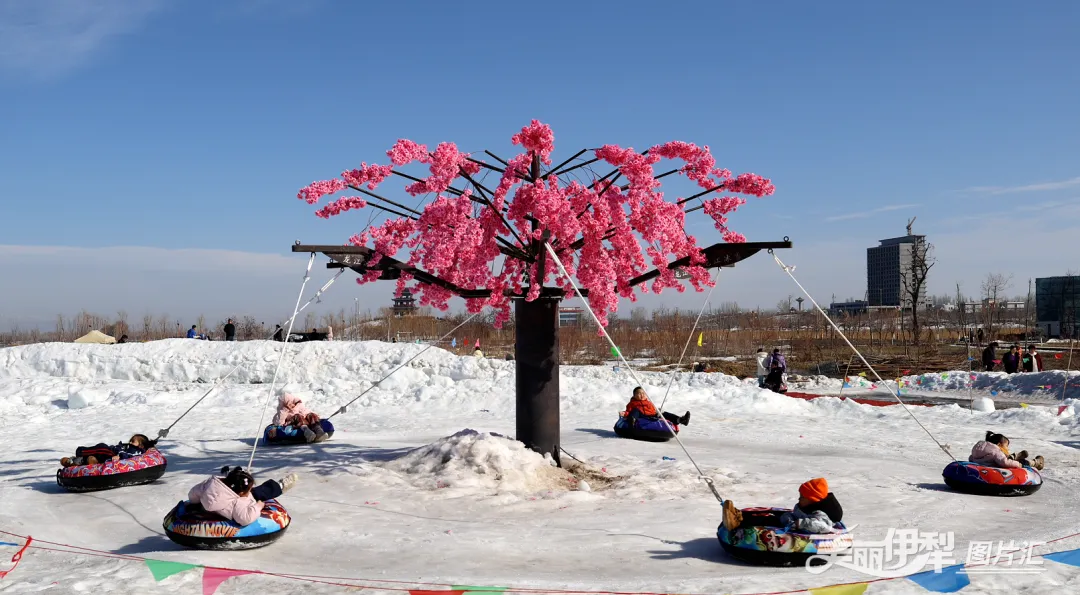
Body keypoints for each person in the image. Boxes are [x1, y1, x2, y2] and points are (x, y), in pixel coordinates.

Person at [722, 477, 843, 534]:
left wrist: (800, 523)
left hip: (794, 526)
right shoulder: (809, 506)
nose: (799, 499)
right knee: (771, 513)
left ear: (812, 499)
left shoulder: (820, 513)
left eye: (802, 497)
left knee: (768, 520)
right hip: (791, 519)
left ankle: (738, 522)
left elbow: (823, 526)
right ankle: (739, 514)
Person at [187, 466, 298, 526]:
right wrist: (258, 506)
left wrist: (196, 503)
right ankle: (280, 486)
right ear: (240, 494)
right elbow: (245, 518)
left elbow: (193, 494)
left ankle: (235, 476)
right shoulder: (239, 501)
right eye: (247, 490)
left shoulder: (208, 485)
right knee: (259, 492)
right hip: (237, 501)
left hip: (214, 502)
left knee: (247, 488)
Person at [60, 434, 156, 467]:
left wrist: (120, 454)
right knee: (102, 450)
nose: (130, 442)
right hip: (111, 455)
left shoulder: (137, 452)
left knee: (103, 448)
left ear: (141, 445)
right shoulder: (128, 447)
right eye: (130, 440)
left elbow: (130, 457)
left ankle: (81, 452)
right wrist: (118, 448)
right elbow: (120, 448)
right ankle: (76, 461)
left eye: (133, 441)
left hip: (113, 457)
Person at [970, 431, 1044, 470]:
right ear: (999, 444)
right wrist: (1019, 465)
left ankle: (1014, 456)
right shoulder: (996, 451)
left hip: (989, 464)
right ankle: (1036, 462)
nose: (1007, 448)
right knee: (1022, 462)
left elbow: (971, 458)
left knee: (1004, 457)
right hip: (997, 465)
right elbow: (1005, 462)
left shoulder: (978, 450)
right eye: (1006, 446)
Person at [623, 386, 690, 427]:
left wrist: (658, 411)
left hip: (651, 415)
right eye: (639, 393)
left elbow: (653, 410)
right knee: (635, 410)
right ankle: (632, 420)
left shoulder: (648, 402)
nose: (642, 395)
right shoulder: (632, 403)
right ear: (634, 395)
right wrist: (625, 414)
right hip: (641, 416)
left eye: (643, 393)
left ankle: (680, 420)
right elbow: (628, 411)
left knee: (663, 413)